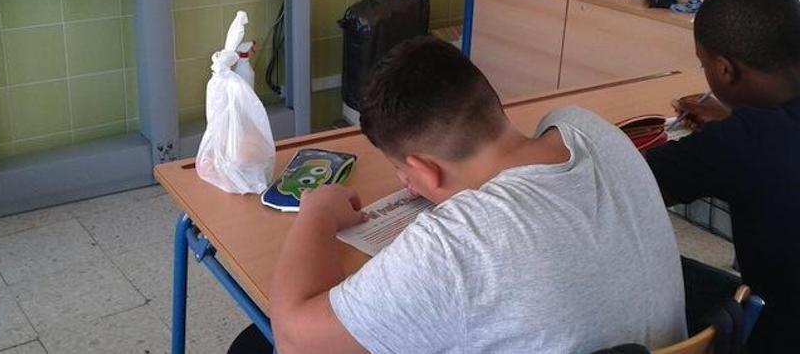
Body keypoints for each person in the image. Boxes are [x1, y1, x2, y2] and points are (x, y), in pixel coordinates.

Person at [270, 36, 687, 353]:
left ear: (422, 170)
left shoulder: (455, 243)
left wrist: (318, 213)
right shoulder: (587, 127)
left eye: (402, 172)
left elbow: (292, 338)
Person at [645, 0, 800, 353]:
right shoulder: (750, 134)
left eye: (704, 65)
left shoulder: (742, 142)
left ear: (724, 70)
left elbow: (634, 181)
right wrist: (737, 118)